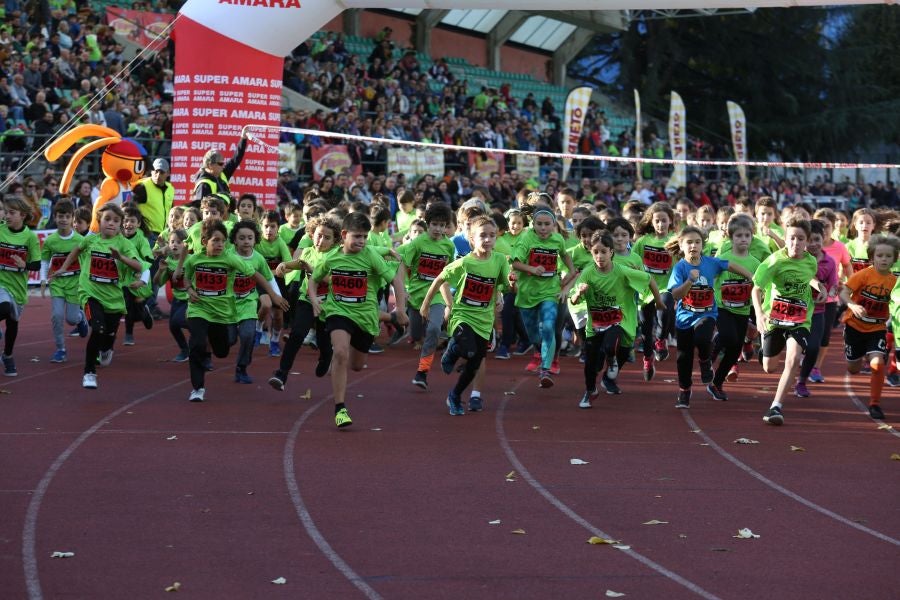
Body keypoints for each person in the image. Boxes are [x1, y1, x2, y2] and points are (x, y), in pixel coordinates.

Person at [308, 212, 409, 428]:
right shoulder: (332, 257)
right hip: (338, 312)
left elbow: (396, 282)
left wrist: (400, 309)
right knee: (341, 353)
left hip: (365, 317)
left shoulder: (370, 256)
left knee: (356, 366)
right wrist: (314, 299)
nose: (361, 241)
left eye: (364, 237)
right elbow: (314, 280)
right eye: (357, 237)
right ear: (344, 235)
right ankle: (340, 408)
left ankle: (383, 322)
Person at [180, 220, 288, 402]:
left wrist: (274, 295)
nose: (220, 245)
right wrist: (190, 290)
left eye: (222, 241)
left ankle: (236, 361)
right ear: (204, 241)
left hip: (223, 312)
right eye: (215, 241)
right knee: (197, 344)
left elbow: (256, 275)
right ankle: (198, 388)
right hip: (199, 309)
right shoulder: (195, 260)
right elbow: (186, 278)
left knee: (223, 350)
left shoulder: (230, 259)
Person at [420, 214, 510, 415]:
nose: (488, 240)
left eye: (492, 236)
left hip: (484, 319)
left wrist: (506, 290)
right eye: (483, 236)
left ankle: (455, 395)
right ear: (472, 239)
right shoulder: (465, 263)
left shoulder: (500, 261)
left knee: (475, 362)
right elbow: (439, 279)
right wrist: (426, 305)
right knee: (467, 350)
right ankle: (451, 351)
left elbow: (505, 285)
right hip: (463, 315)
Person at [50, 204, 146, 389]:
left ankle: (107, 348)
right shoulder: (91, 241)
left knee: (109, 333)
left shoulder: (124, 244)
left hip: (114, 298)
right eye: (107, 219)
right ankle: (89, 372)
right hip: (90, 293)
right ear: (99, 221)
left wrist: (120, 258)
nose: (111, 223)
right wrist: (63, 267)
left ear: (120, 225)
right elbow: (77, 250)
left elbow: (138, 266)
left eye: (116, 221)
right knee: (98, 328)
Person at [570, 230, 662, 407]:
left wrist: (658, 301)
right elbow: (574, 300)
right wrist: (579, 292)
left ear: (611, 252)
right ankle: (590, 392)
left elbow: (649, 278)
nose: (600, 256)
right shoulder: (588, 273)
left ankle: (612, 361)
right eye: (596, 252)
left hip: (619, 321)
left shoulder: (622, 271)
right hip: (595, 324)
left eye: (604, 252)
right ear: (591, 253)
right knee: (590, 365)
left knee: (612, 345)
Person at [752, 217, 828, 426]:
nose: (796, 243)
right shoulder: (774, 261)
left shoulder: (811, 261)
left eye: (801, 239)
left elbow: (808, 277)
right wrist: (759, 314)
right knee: (769, 367)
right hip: (775, 318)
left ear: (807, 241)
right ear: (785, 239)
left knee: (793, 359)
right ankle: (764, 349)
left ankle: (776, 406)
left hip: (800, 319)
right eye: (792, 238)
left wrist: (818, 286)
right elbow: (756, 289)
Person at [667, 226, 754, 408]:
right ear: (681, 246)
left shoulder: (710, 263)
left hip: (707, 313)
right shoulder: (680, 268)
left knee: (703, 337)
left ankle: (705, 361)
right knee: (684, 357)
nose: (693, 246)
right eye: (689, 242)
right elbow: (675, 295)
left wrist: (751, 276)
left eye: (697, 242)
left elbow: (729, 264)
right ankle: (684, 390)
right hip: (685, 318)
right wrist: (689, 281)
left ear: (702, 245)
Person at [268, 215, 340, 391]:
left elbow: (333, 280)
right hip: (306, 300)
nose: (321, 240)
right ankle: (281, 374)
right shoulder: (308, 251)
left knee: (324, 341)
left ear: (335, 240)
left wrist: (312, 270)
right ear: (311, 234)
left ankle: (325, 358)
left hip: (327, 304)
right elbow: (299, 263)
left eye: (327, 237)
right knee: (297, 334)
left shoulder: (337, 256)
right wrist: (284, 265)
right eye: (318, 235)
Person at [512, 206, 577, 387]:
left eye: (547, 224)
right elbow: (515, 262)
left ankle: (545, 370)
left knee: (549, 326)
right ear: (533, 224)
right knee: (533, 334)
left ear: (554, 224)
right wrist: (532, 269)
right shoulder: (525, 239)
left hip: (550, 290)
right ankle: (540, 351)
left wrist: (571, 271)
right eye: (539, 224)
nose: (543, 228)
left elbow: (564, 255)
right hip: (527, 292)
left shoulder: (557, 239)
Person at [839, 233, 900, 420]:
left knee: (877, 363)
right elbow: (844, 292)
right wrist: (852, 305)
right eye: (880, 255)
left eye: (888, 256)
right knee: (853, 369)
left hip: (877, 328)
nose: (884, 259)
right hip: (855, 326)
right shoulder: (863, 275)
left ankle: (874, 404)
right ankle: (857, 354)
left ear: (894, 259)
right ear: (872, 257)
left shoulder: (894, 281)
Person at [397, 202, 455, 390]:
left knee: (433, 330)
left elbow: (446, 275)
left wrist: (449, 303)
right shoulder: (417, 243)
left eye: (443, 225)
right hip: (416, 295)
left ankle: (422, 372)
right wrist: (404, 289)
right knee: (415, 334)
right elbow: (403, 265)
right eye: (435, 224)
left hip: (436, 295)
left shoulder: (448, 246)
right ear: (427, 224)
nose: (439, 229)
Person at [708, 214, 761, 397]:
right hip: (722, 307)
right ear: (731, 238)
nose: (743, 239)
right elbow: (709, 278)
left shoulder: (755, 263)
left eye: (747, 235)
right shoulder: (722, 258)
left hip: (742, 309)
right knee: (729, 337)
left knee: (735, 349)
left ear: (752, 237)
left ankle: (716, 383)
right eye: (739, 236)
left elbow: (760, 287)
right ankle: (715, 346)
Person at [631, 202, 677, 381]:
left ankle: (661, 339)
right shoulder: (643, 241)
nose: (660, 225)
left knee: (664, 311)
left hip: (667, 286)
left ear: (670, 221)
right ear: (651, 222)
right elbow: (632, 260)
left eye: (664, 221)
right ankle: (648, 359)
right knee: (646, 327)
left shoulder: (675, 240)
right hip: (645, 289)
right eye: (657, 221)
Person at [793, 220, 839, 398]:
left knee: (813, 348)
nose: (813, 244)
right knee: (793, 351)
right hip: (796, 310)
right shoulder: (798, 259)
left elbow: (834, 283)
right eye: (810, 240)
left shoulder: (830, 262)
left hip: (818, 311)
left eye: (817, 239)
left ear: (823, 238)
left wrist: (832, 291)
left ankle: (801, 381)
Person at [39, 199, 88, 363]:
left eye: (67, 216)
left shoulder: (80, 240)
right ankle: (60, 349)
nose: (63, 219)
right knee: (56, 316)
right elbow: (45, 261)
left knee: (71, 319)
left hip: (75, 283)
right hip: (57, 282)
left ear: (72, 218)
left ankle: (80, 319)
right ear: (55, 217)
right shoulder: (50, 240)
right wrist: (43, 279)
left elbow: (87, 261)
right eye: (60, 216)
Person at [230, 220, 277, 384]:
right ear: (234, 240)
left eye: (249, 238)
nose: (246, 241)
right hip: (226, 305)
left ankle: (242, 367)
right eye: (241, 238)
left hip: (248, 302)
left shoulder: (258, 259)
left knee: (248, 334)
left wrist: (276, 297)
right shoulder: (227, 255)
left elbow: (269, 279)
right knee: (228, 340)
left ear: (255, 240)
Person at [0, 197, 41, 376]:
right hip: (1, 284)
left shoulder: (30, 237)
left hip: (18, 287)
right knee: (4, 306)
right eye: (5, 212)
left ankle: (8, 356)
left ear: (22, 215)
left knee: (12, 323)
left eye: (11, 213)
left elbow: (37, 265)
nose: (7, 216)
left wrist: (23, 265)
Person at [132, 157, 174, 319]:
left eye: (162, 172)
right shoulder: (142, 186)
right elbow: (131, 208)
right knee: (145, 270)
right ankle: (142, 305)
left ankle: (149, 305)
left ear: (168, 174)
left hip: (162, 236)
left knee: (157, 270)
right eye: (155, 171)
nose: (158, 174)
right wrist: (140, 229)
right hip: (146, 235)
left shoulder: (171, 188)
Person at [153, 229, 190, 362]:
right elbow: (157, 282)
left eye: (179, 242)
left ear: (186, 245)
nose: (175, 244)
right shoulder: (167, 261)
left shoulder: (191, 260)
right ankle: (185, 350)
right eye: (172, 242)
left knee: (177, 321)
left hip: (189, 299)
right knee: (173, 326)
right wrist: (160, 270)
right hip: (177, 298)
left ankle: (198, 332)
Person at [191, 129, 251, 208]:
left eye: (223, 163)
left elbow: (236, 159)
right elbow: (201, 208)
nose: (223, 166)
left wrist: (243, 138)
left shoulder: (222, 174)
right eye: (220, 163)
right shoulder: (204, 185)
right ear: (210, 165)